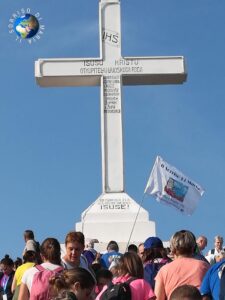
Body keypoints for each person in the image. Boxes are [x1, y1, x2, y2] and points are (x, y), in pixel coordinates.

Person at [154, 230, 209, 300]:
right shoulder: (205, 266)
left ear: (172, 248)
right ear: (193, 248)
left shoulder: (164, 270)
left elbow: (158, 298)